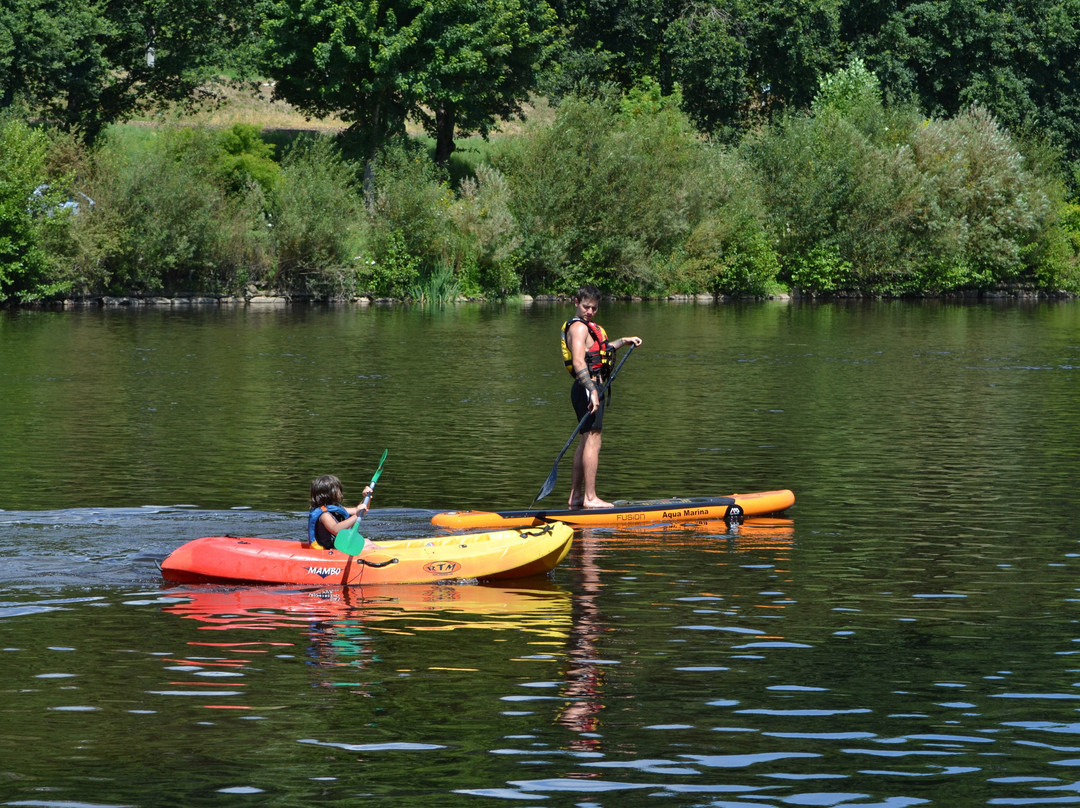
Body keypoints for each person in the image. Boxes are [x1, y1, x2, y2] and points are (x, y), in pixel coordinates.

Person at [561, 285, 642, 509]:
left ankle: (576, 497)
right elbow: (578, 361)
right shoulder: (578, 328)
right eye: (586, 306)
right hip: (587, 388)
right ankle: (590, 498)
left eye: (594, 308)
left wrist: (624, 341)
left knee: (586, 441)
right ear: (576, 302)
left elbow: (601, 351)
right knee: (593, 441)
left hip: (588, 388)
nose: (589, 311)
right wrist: (593, 391)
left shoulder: (589, 328)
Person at [307, 474, 382, 551]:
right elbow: (336, 530)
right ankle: (393, 558)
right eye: (338, 490)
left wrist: (367, 497)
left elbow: (360, 511)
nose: (340, 492)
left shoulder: (336, 508)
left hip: (339, 546)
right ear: (330, 493)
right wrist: (357, 515)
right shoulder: (324, 515)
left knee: (367, 541)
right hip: (330, 551)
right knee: (371, 547)